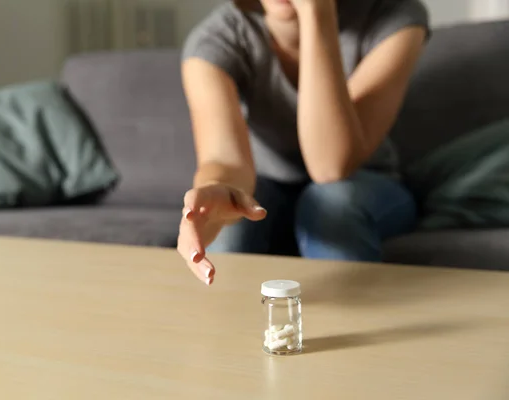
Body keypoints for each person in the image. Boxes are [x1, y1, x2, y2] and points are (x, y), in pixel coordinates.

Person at [177, 0, 430, 285]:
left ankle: (352, 324)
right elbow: (225, 161)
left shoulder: (396, 18)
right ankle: (231, 327)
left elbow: (330, 167)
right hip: (268, 186)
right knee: (229, 230)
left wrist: (316, 13)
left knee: (330, 206)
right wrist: (219, 194)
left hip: (366, 184)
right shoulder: (215, 40)